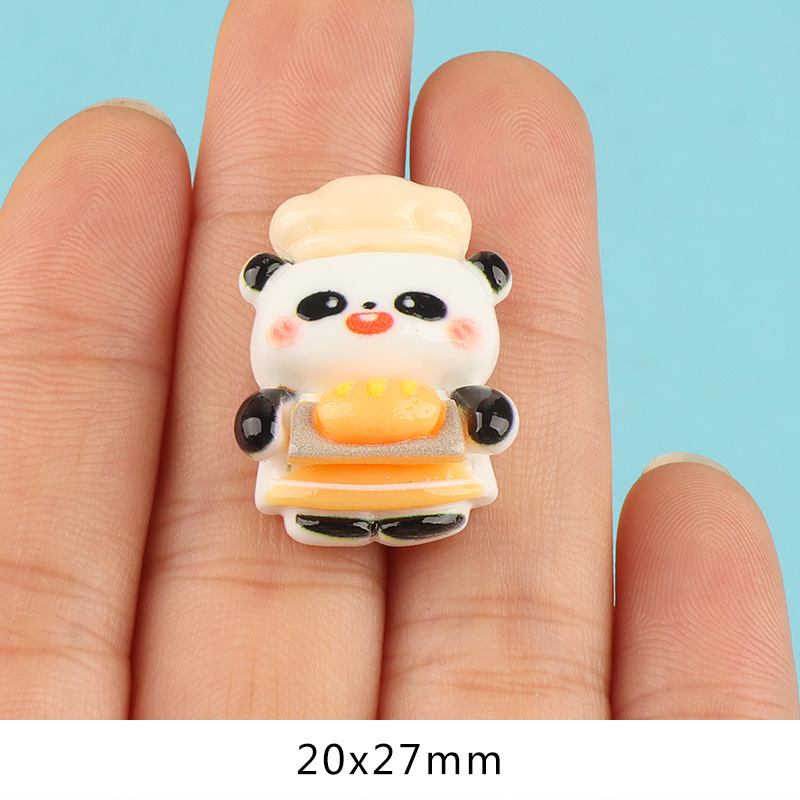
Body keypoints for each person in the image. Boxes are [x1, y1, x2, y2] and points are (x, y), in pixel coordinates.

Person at [0, 0, 796, 720]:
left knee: (438, 491)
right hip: (317, 463)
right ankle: (333, 517)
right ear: (265, 287)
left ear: (485, 286)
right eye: (325, 307)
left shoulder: (452, 372)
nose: (372, 318)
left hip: (432, 459)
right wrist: (265, 418)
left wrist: (484, 413)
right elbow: (261, 425)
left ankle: (419, 513)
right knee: (313, 497)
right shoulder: (297, 373)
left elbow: (487, 417)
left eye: (418, 306)